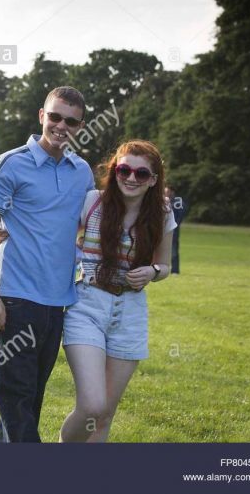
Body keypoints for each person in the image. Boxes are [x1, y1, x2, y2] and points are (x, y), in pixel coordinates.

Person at [0, 86, 95, 442]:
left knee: (29, 400)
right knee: (16, 398)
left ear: (80, 125)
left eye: (70, 121)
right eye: (55, 116)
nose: (61, 125)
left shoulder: (82, 172)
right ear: (42, 116)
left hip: (58, 302)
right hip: (14, 300)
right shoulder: (11, 163)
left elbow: (80, 227)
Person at [59, 140, 175, 443]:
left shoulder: (161, 214)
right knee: (92, 405)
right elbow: (55, 236)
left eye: (141, 173)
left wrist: (153, 272)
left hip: (130, 312)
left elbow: (164, 266)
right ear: (114, 171)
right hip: (87, 305)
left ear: (153, 180)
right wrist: (8, 230)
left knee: (106, 413)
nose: (131, 178)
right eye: (124, 169)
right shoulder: (93, 202)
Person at [164, 185, 186, 274]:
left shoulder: (178, 202)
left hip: (174, 231)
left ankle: (175, 270)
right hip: (163, 230)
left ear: (172, 192)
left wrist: (173, 224)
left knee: (174, 251)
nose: (166, 193)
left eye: (167, 191)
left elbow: (180, 216)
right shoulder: (164, 201)